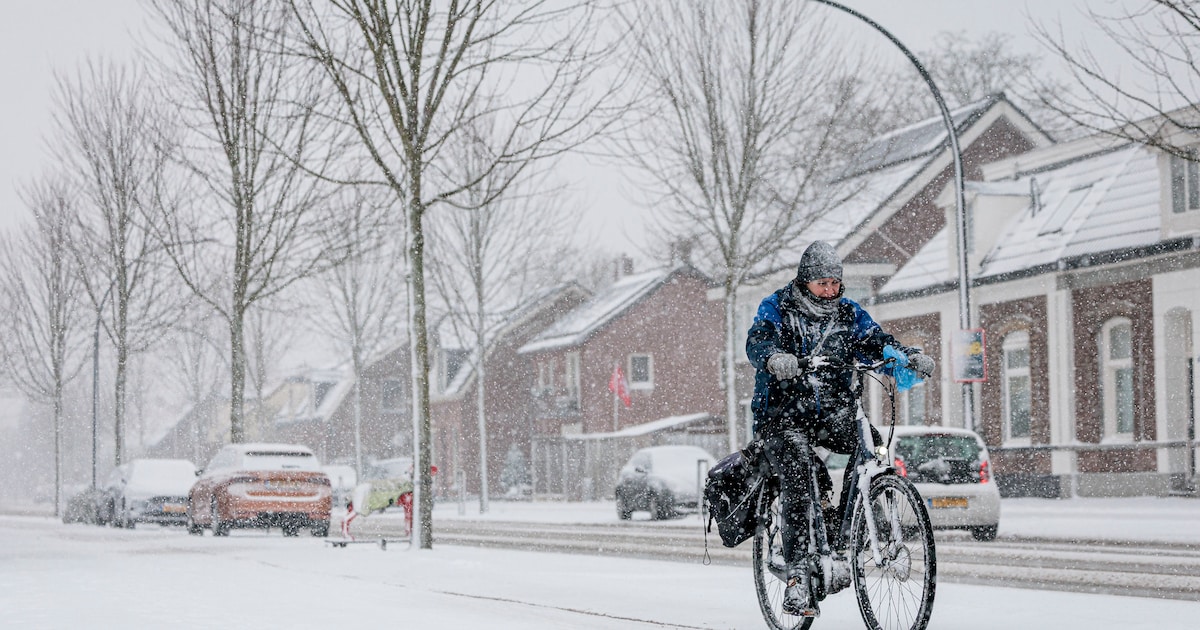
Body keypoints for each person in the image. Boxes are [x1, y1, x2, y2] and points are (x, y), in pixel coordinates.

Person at [745, 240, 934, 617]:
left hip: (832, 410)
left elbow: (875, 339)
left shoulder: (848, 313)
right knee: (798, 468)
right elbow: (757, 340)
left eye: (835, 283)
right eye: (822, 284)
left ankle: (845, 526)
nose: (830, 290)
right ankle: (798, 574)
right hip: (783, 414)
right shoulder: (779, 306)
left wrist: (905, 355)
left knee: (871, 445)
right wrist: (775, 358)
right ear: (805, 281)